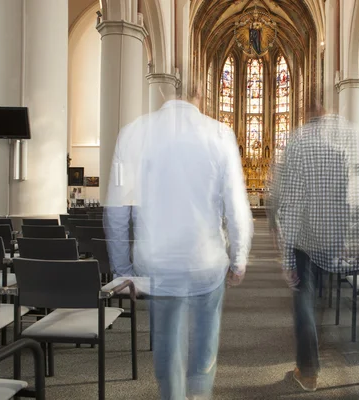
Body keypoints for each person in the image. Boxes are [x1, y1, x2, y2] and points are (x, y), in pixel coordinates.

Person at [104, 88, 253, 400]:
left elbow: (117, 210)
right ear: (200, 94)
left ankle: (172, 394)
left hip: (157, 263)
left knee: (167, 344)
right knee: (205, 341)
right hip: (206, 262)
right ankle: (199, 392)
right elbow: (237, 207)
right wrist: (238, 258)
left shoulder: (133, 133)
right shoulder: (220, 134)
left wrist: (122, 271)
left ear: (163, 90)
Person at [270, 104, 359, 392]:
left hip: (307, 241)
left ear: (307, 112)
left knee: (305, 301)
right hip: (348, 243)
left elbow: (291, 204)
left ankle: (310, 370)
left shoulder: (299, 141)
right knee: (343, 300)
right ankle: (353, 367)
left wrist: (287, 256)